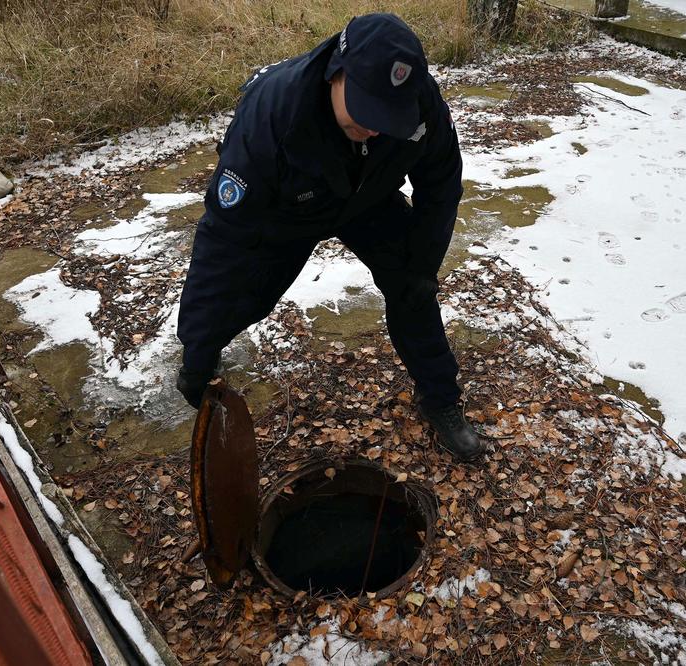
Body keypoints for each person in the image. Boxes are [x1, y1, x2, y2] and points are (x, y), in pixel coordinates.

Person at [175, 13, 485, 462]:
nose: (376, 126)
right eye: (366, 108)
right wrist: (196, 348)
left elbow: (441, 187)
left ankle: (441, 400)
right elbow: (223, 240)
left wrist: (422, 266)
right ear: (336, 73)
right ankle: (203, 358)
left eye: (388, 116)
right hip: (288, 208)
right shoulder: (271, 113)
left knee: (413, 289)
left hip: (368, 197)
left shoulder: (420, 102)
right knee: (246, 295)